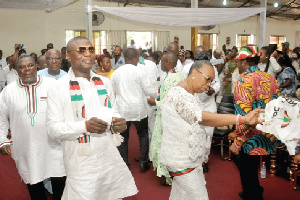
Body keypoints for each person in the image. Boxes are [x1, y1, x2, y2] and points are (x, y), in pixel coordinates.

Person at [46, 36, 138, 199]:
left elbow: (113, 111)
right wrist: (85, 126)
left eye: (91, 49)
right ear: (68, 56)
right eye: (81, 50)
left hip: (108, 156)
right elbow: (53, 129)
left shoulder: (105, 82)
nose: (88, 54)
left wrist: (118, 123)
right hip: (81, 161)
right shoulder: (58, 88)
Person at [159, 59, 262, 200]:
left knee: (182, 195)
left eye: (211, 81)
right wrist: (241, 119)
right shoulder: (179, 95)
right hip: (181, 160)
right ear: (195, 72)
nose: (208, 85)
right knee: (198, 196)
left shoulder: (187, 92)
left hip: (187, 157)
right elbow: (201, 117)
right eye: (207, 79)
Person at [0, 54, 66, 200]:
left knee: (60, 184)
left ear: (36, 66)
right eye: (22, 67)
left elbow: (67, 111)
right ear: (16, 70)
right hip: (26, 148)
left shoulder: (53, 85)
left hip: (55, 146)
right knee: (34, 184)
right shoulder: (8, 91)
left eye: (30, 65)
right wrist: (2, 140)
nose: (27, 70)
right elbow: (1, 118)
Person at [230, 45, 280, 200]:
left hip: (249, 135)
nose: (237, 65)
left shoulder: (243, 81)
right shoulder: (270, 78)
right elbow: (276, 106)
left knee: (245, 166)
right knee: (251, 166)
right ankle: (254, 190)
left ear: (245, 62)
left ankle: (253, 194)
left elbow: (243, 115)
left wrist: (237, 142)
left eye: (238, 62)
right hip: (267, 132)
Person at [110, 48, 157, 170]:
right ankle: (143, 161)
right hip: (139, 110)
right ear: (135, 58)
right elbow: (149, 91)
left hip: (122, 110)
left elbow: (111, 93)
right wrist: (158, 94)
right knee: (143, 134)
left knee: (123, 137)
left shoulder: (116, 73)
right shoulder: (139, 72)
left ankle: (125, 164)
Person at [148, 52, 185, 185]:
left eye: (162, 61)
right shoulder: (178, 75)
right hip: (172, 119)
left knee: (165, 147)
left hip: (167, 119)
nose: (160, 64)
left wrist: (154, 102)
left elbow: (169, 103)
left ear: (169, 62)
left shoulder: (171, 79)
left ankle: (169, 177)